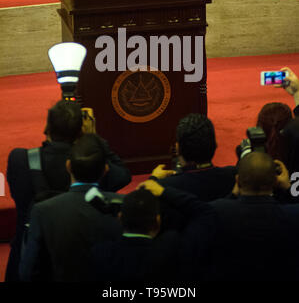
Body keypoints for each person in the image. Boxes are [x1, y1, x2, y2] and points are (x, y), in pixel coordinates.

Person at [5, 100, 131, 282]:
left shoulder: (20, 160)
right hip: (80, 264)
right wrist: (94, 138)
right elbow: (123, 175)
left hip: (30, 258)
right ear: (81, 132)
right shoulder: (90, 165)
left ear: (47, 127)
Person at [143, 152, 299, 281]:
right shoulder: (292, 215)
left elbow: (194, 205)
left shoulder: (217, 212)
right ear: (275, 182)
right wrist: (289, 189)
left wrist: (159, 186)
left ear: (237, 180)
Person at [19, 133, 123, 282]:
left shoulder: (42, 211)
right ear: (106, 170)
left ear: (68, 166)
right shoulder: (123, 205)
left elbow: (27, 272)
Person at [156, 113, 236, 201]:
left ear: (178, 148)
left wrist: (153, 179)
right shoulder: (234, 177)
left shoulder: (162, 188)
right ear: (215, 145)